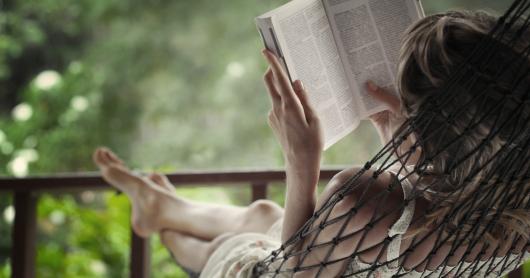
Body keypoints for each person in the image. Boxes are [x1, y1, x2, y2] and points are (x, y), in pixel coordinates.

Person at [93, 10, 529, 277]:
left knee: (221, 245)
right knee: (262, 213)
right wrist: (405, 147)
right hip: (333, 252)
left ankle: (161, 222)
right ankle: (164, 208)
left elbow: (283, 272)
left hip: (272, 271)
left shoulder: (366, 199)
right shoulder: (515, 216)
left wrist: (301, 161)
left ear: (429, 133)